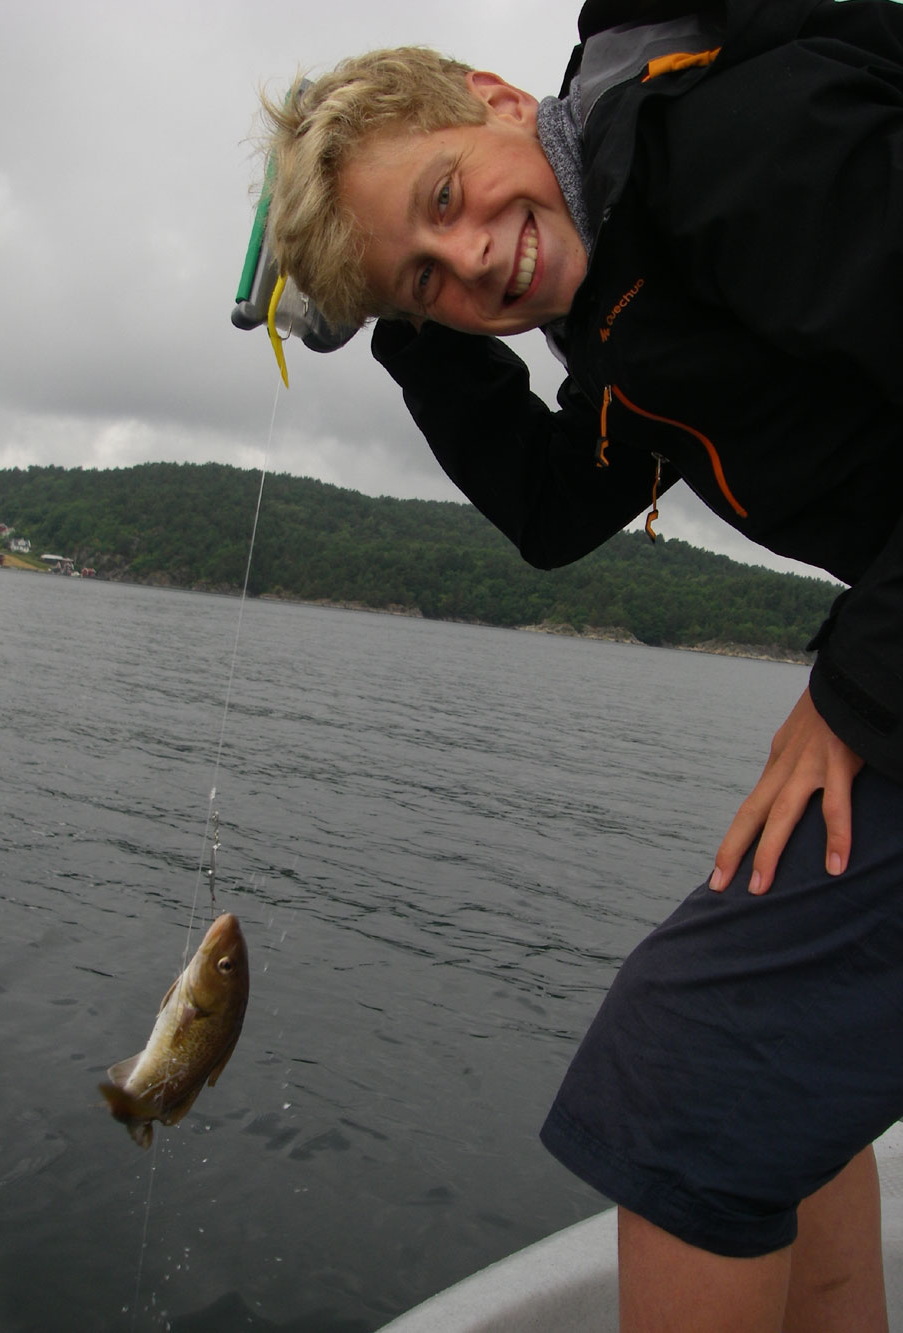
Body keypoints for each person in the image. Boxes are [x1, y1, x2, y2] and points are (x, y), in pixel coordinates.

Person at [259, 2, 903, 1328]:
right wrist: (408, 326)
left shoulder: (732, 150)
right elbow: (558, 506)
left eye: (448, 195)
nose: (470, 256)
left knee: (693, 1071)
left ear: (498, 98)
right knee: (789, 1084)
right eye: (424, 273)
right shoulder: (621, 292)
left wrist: (855, 689)